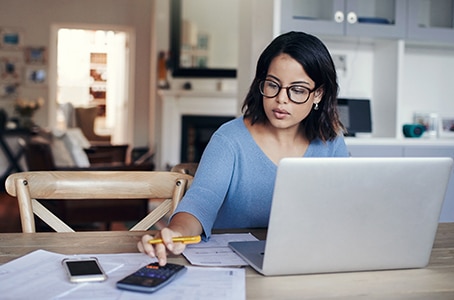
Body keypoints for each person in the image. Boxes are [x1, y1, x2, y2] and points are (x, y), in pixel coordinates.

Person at [138, 31, 349, 265]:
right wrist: (176, 233)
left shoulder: (331, 141)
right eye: (273, 85)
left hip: (304, 262)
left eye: (297, 90)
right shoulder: (229, 139)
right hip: (233, 265)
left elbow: (346, 207)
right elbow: (200, 201)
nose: (281, 99)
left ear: (318, 94)